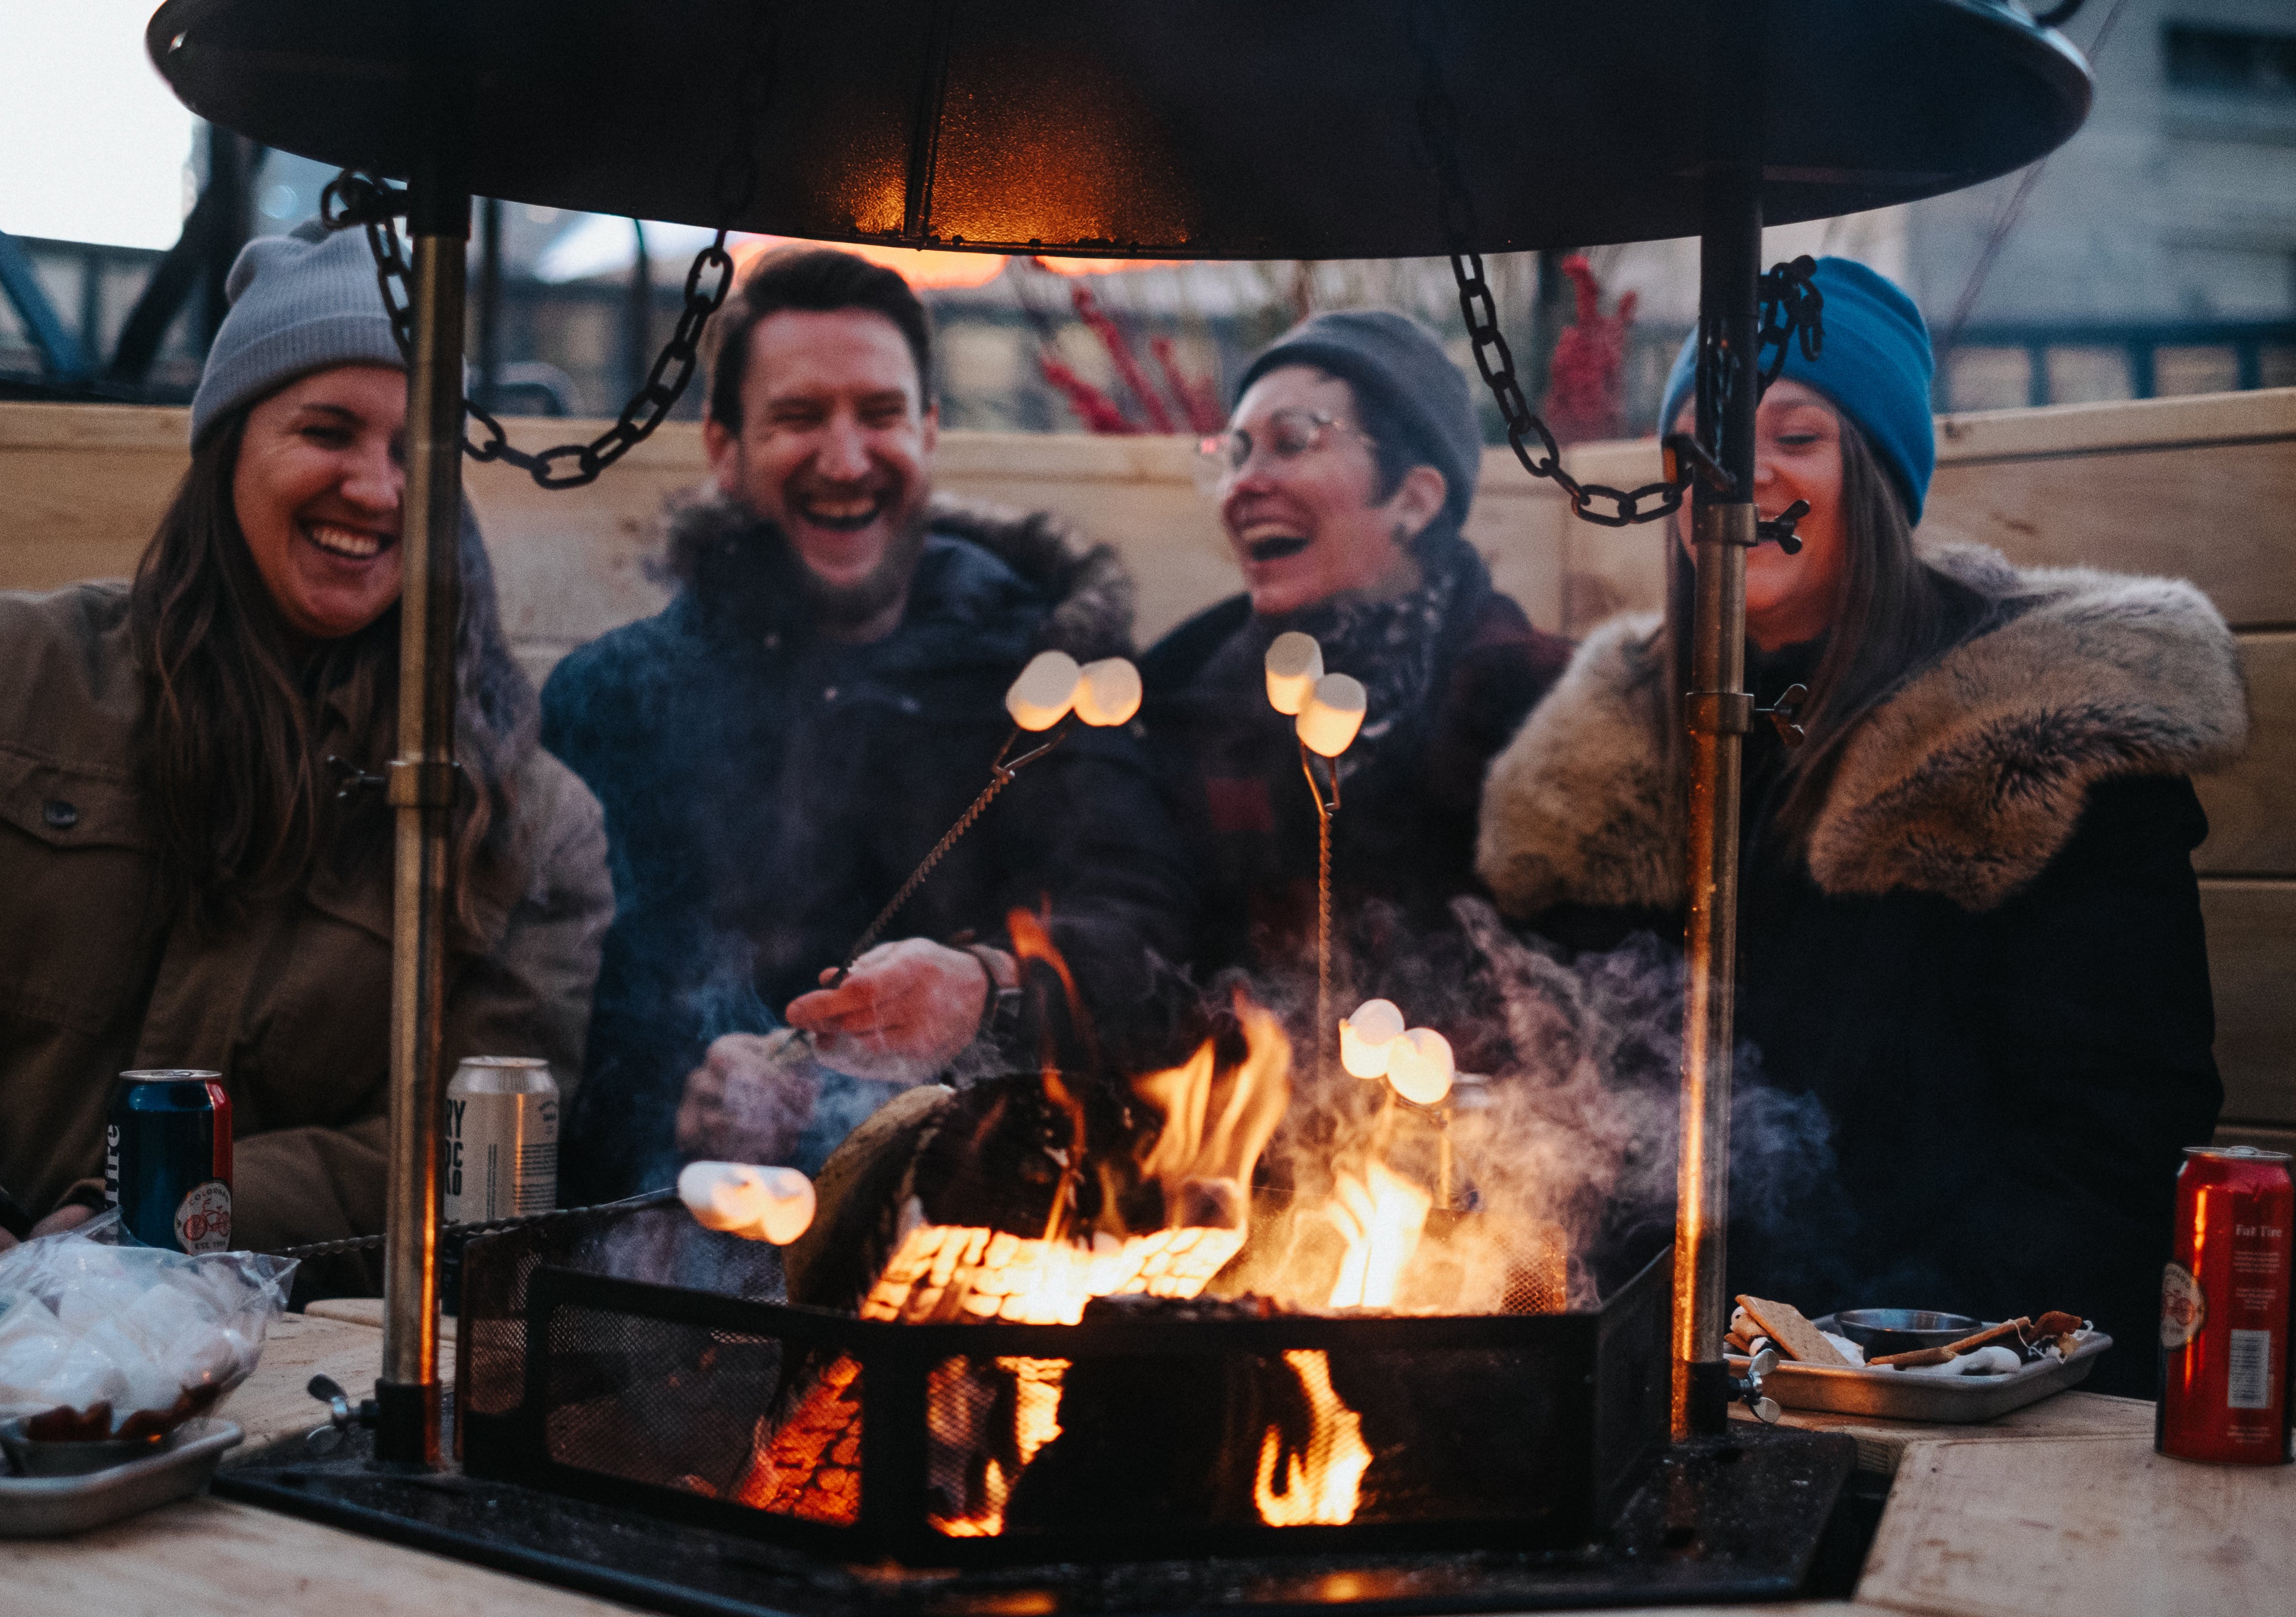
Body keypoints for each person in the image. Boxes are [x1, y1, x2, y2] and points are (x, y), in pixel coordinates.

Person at [1476, 257, 2243, 1394]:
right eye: (1697, 449)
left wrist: (1863, 1351)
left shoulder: (2036, 748)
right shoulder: (1617, 763)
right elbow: (1563, 1104)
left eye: (1794, 436)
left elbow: (2106, 1141)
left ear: (1877, 471)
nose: (1735, 478)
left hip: (1941, 1378)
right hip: (1642, 1380)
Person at [0, 221, 613, 1300]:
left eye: (418, 452)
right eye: (326, 430)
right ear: (229, 446)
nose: (375, 487)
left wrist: (143, 1228)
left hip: (268, 1375)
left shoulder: (530, 820)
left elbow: (461, 1155)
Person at [541, 247, 1192, 1207]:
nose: (845, 460)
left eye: (880, 415)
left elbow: (1147, 940)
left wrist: (987, 987)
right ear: (723, 449)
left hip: (989, 1225)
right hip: (695, 1246)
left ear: (928, 433)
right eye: (799, 417)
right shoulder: (617, 696)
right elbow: (567, 1027)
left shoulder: (1045, 672)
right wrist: (681, 1098)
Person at [1139, 310, 1569, 998]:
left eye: (1292, 441)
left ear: (1413, 498)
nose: (1240, 487)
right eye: (1236, 454)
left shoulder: (1536, 711)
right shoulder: (1183, 703)